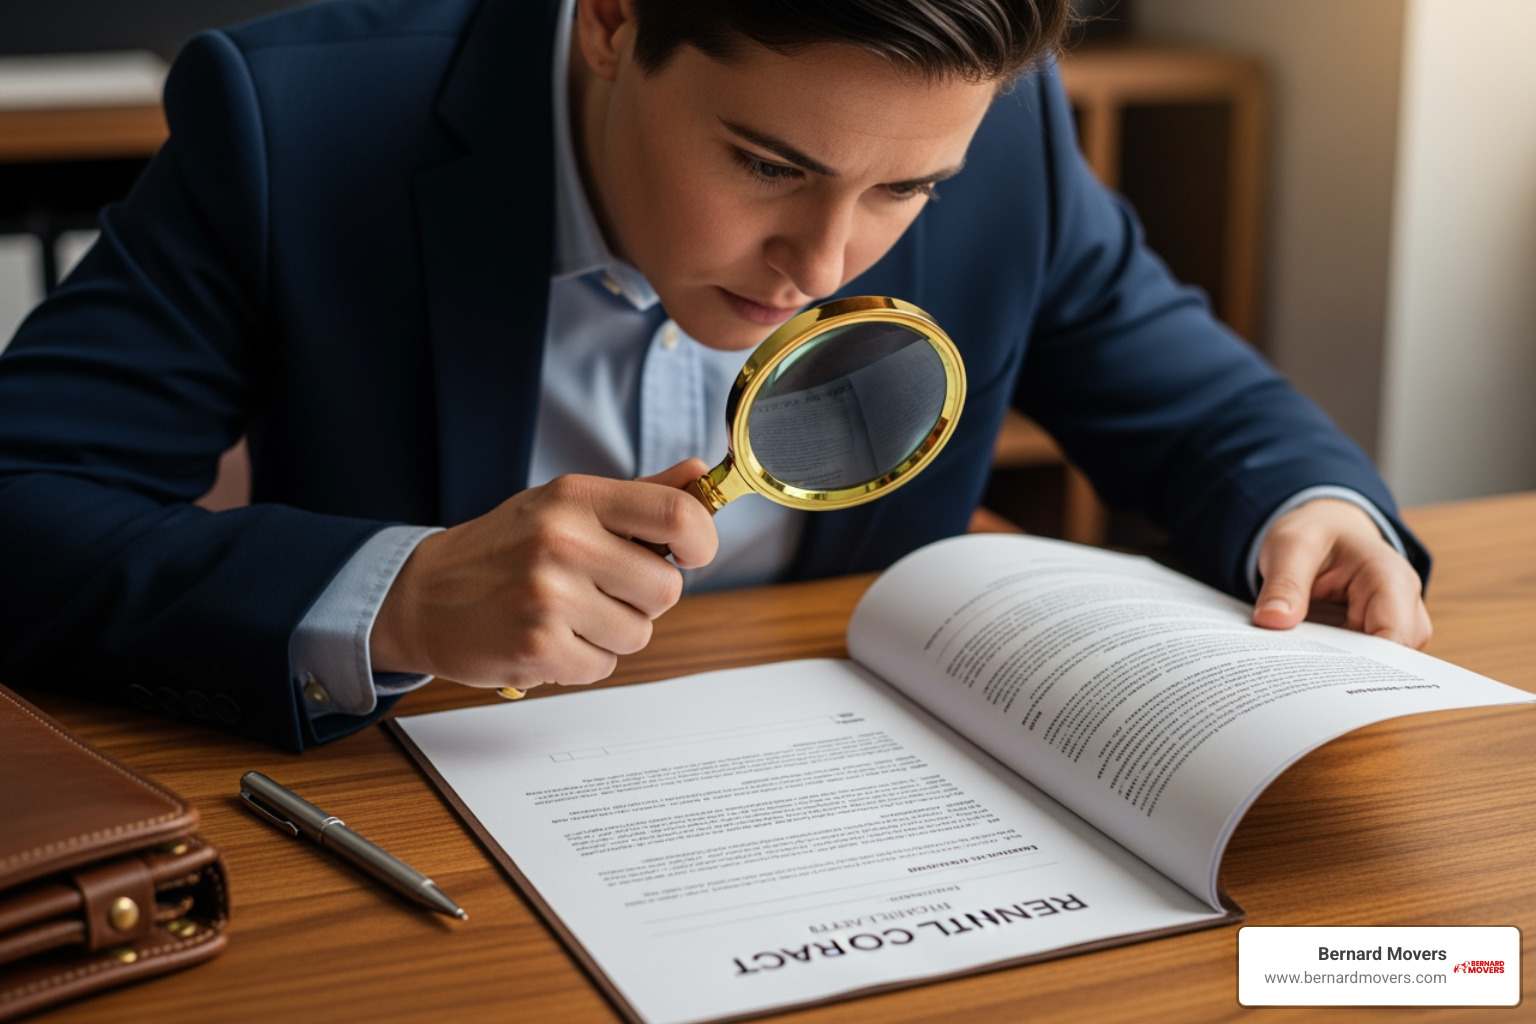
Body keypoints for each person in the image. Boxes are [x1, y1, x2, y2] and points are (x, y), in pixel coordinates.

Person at [0, 0, 1431, 752]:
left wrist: (1318, 507)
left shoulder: (1004, 128)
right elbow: (22, 498)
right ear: (614, 18)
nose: (823, 259)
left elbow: (1203, 401)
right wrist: (404, 594)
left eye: (904, 192)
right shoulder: (294, 126)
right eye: (768, 164)